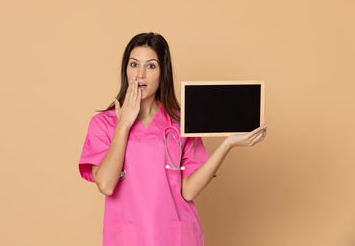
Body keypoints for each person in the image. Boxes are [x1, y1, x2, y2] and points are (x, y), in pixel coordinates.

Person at [78, 32, 268, 246]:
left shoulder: (181, 123)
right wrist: (124, 124)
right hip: (129, 238)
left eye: (151, 66)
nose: (140, 75)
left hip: (176, 238)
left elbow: (188, 190)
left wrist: (227, 144)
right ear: (125, 70)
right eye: (134, 65)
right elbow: (106, 185)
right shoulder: (103, 124)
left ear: (162, 73)